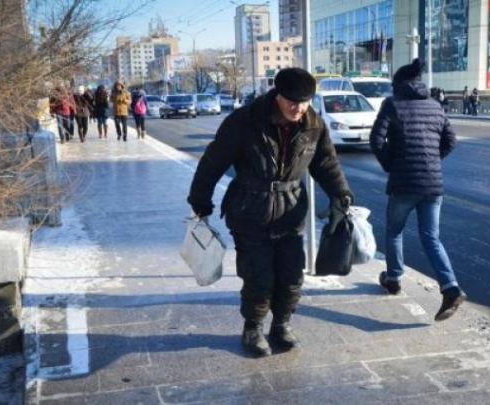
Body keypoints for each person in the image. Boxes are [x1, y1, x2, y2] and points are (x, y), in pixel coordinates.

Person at [187, 67, 354, 357]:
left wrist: (341, 194)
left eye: (305, 102)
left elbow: (326, 162)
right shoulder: (245, 121)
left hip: (290, 211)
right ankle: (252, 328)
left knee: (291, 274)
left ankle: (282, 325)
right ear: (277, 95)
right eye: (292, 101)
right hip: (249, 210)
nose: (298, 108)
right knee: (259, 274)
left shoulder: (313, 124)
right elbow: (212, 162)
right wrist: (200, 200)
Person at [369, 58, 466, 322]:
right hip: (433, 184)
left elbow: (376, 140)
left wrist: (392, 164)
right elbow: (450, 141)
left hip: (403, 184)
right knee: (431, 237)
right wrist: (432, 162)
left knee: (394, 231)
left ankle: (394, 279)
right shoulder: (435, 106)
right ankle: (451, 288)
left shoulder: (392, 104)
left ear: (398, 85)